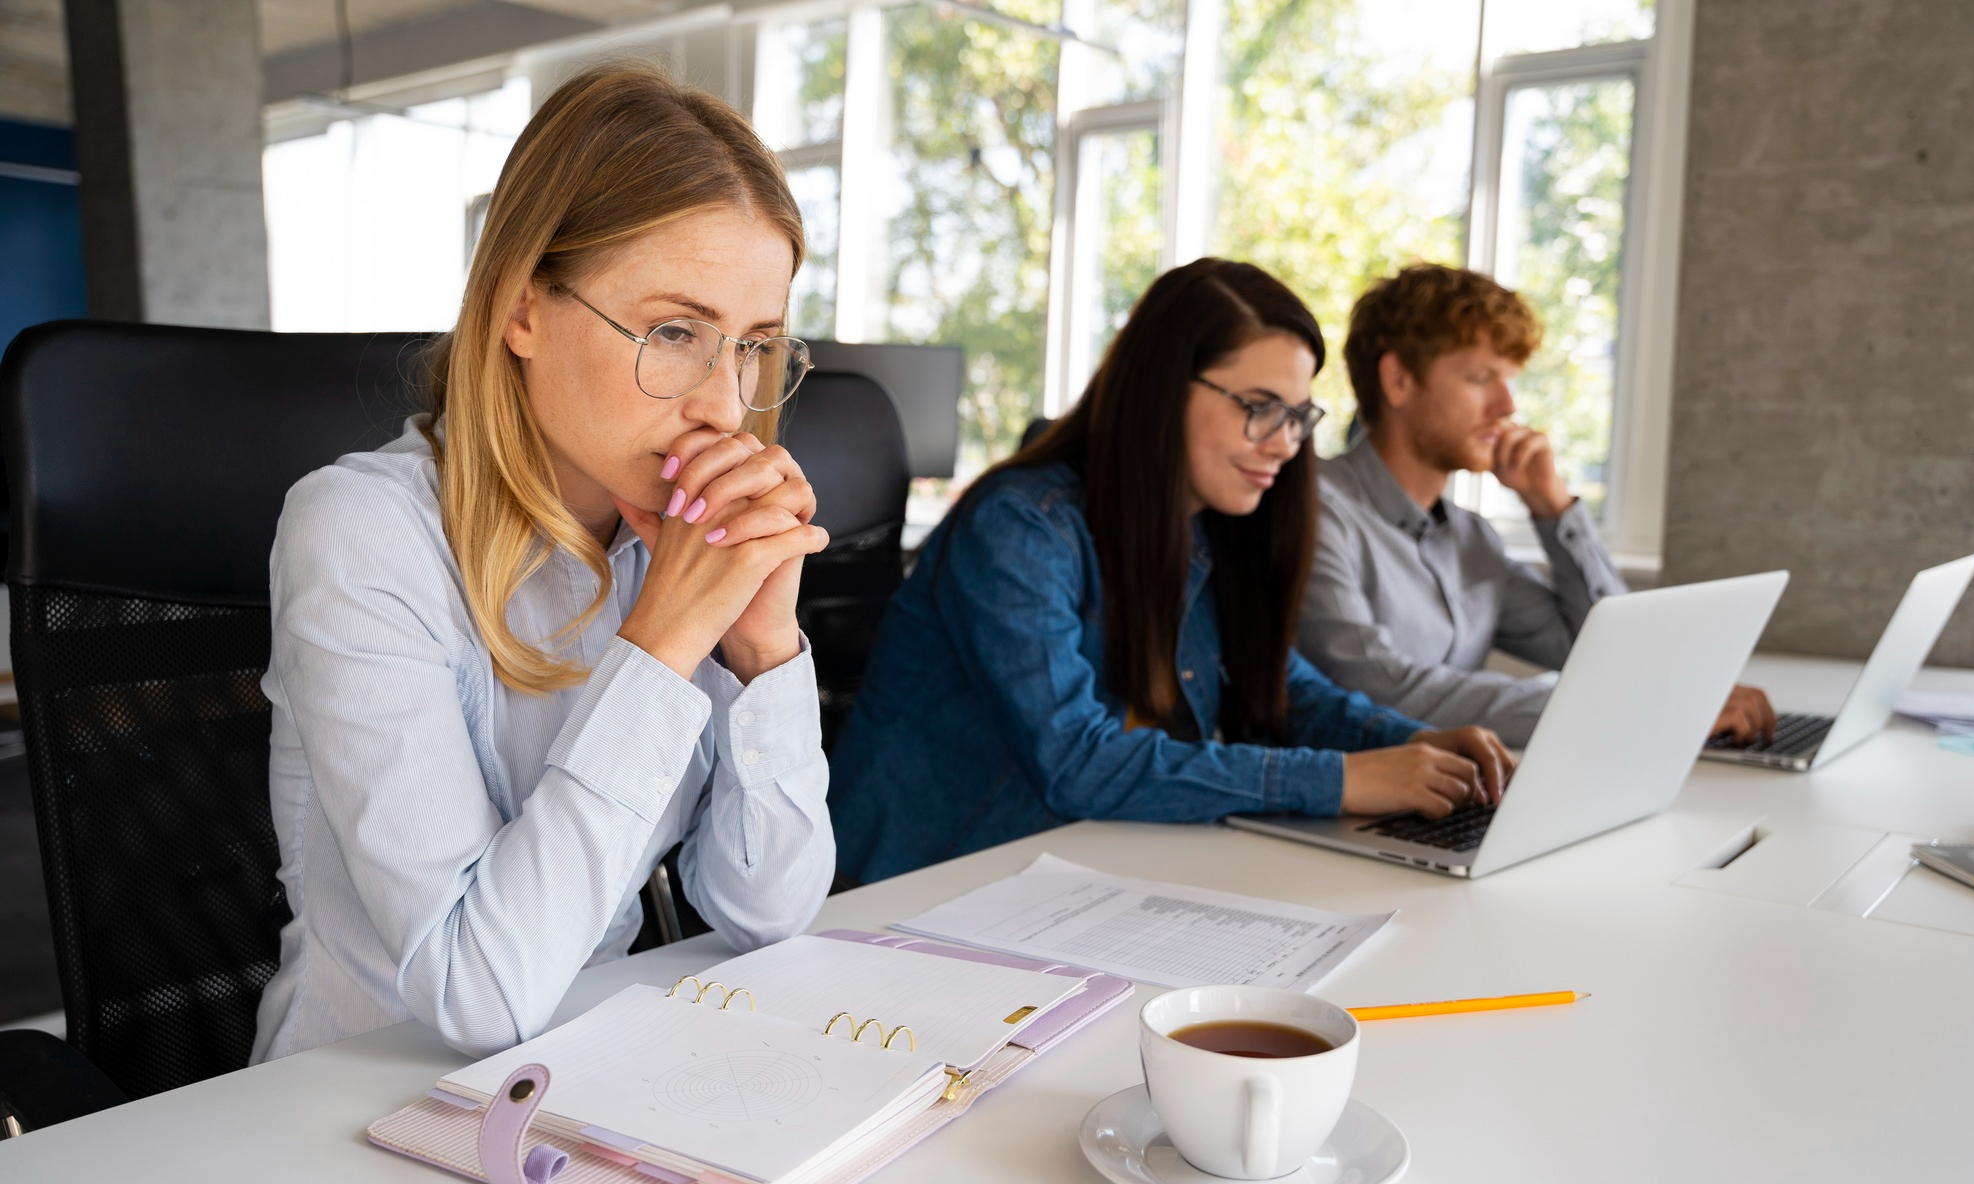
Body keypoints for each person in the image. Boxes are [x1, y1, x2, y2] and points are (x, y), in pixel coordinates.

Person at [252, 66, 835, 1062]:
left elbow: (767, 910)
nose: (726, 406)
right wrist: (663, 644)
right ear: (523, 309)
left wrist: (761, 647)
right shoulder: (359, 534)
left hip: (589, 1076)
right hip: (351, 1105)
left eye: (753, 345)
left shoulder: (665, 540)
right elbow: (476, 993)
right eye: (674, 332)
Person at [829, 259, 1513, 885]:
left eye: (1299, 416)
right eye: (1259, 407)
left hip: (1064, 881)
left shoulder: (1210, 530)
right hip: (916, 890)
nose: (1284, 444)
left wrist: (1414, 744)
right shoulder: (1019, 526)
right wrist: (1341, 780)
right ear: (1162, 387)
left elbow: (1286, 690)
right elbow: (1077, 761)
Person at [1297, 264, 1774, 748]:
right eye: (1482, 378)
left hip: (1451, 796)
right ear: (1398, 379)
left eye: (1509, 381)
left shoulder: (1470, 538)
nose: (1506, 406)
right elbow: (1379, 690)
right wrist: (1646, 705)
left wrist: (1553, 508)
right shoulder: (1315, 511)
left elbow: (1609, 652)